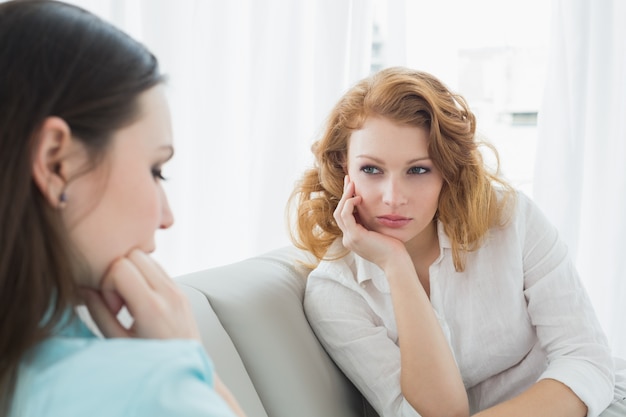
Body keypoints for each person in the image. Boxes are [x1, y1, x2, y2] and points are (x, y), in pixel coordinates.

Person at [288, 66, 626, 417]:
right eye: (371, 170)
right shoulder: (336, 291)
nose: (393, 197)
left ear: (447, 169)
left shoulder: (510, 219)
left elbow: (586, 358)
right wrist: (396, 265)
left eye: (418, 170)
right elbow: (437, 413)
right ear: (344, 166)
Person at [0, 1, 245, 416]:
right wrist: (189, 360)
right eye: (156, 170)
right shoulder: (149, 392)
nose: (167, 217)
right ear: (57, 162)